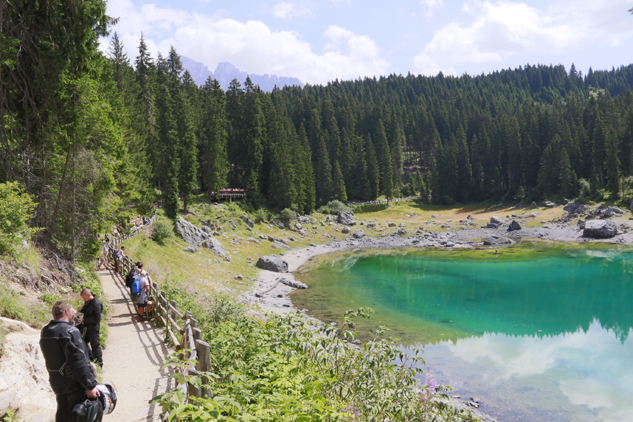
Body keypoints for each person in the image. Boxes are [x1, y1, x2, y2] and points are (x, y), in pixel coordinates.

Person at [40, 300, 100, 422]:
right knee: (77, 415)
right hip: (73, 383)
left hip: (57, 381)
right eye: (72, 310)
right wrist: (90, 385)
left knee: (63, 412)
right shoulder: (70, 332)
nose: (74, 312)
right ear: (66, 312)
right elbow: (79, 362)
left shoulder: (46, 331)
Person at [78, 289, 103, 367]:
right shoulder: (88, 302)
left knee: (95, 344)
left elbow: (97, 319)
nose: (84, 300)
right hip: (87, 326)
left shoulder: (96, 303)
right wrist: (82, 310)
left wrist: (84, 320)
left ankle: (99, 362)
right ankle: (92, 357)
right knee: (83, 342)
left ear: (89, 295)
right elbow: (89, 311)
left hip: (93, 327)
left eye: (84, 298)